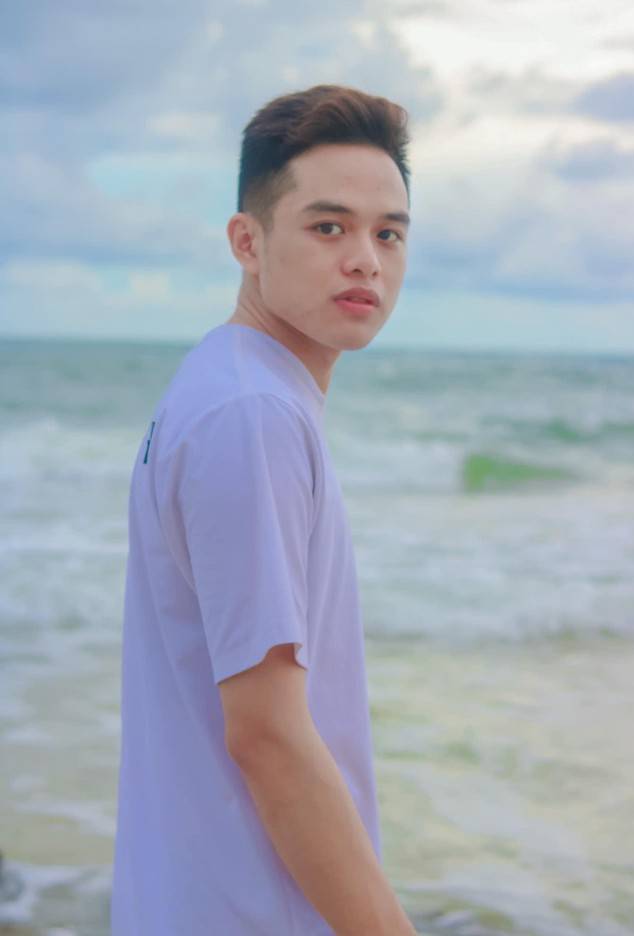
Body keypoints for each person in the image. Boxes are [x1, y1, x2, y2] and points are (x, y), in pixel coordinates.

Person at [111, 83, 417, 935]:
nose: (365, 260)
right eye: (329, 227)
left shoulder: (227, 387)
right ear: (247, 241)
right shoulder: (252, 416)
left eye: (387, 233)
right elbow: (269, 739)